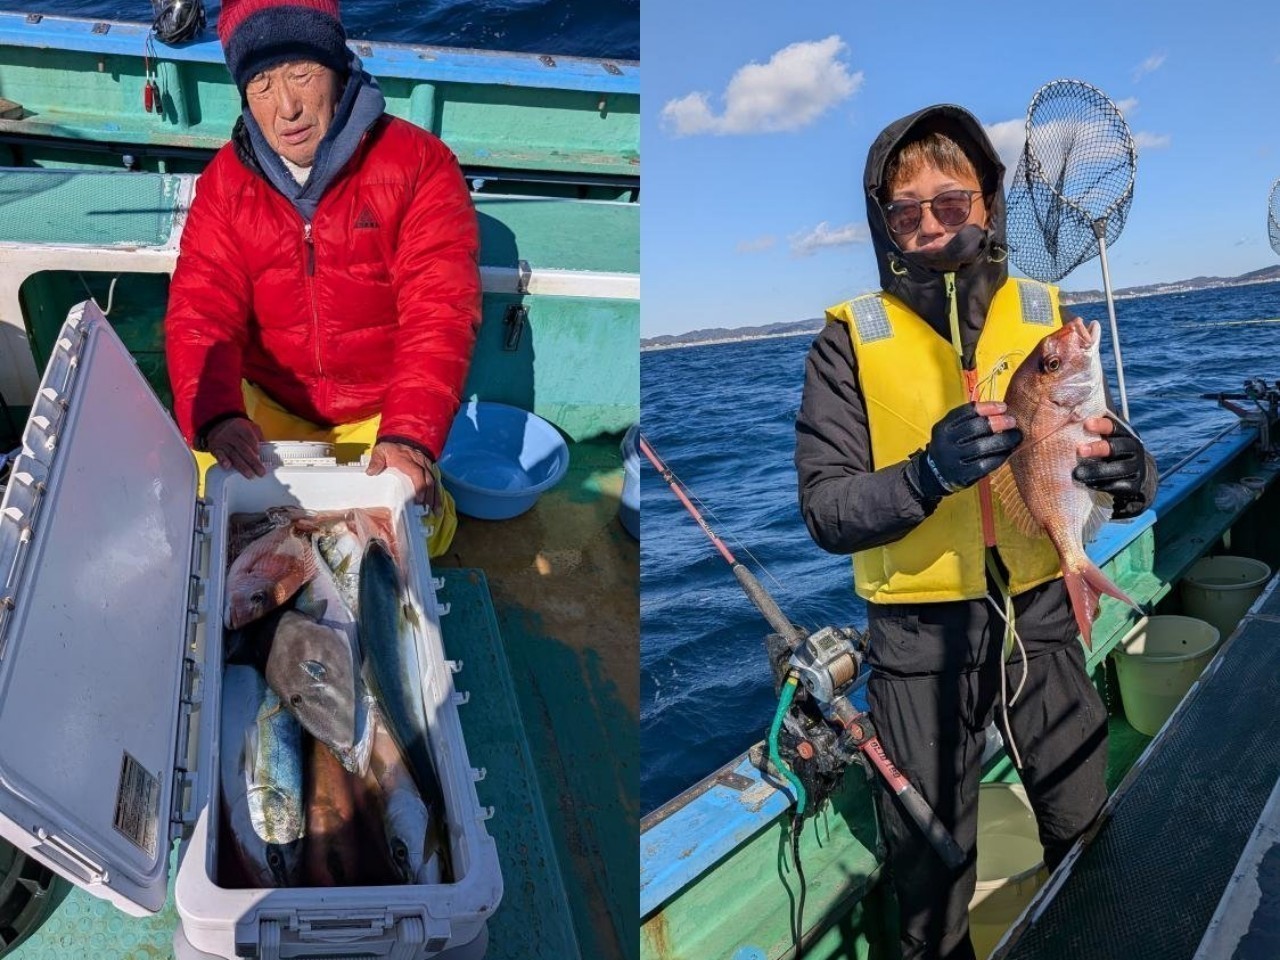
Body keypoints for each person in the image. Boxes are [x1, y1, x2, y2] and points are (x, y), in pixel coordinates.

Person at [794, 104, 1157, 959]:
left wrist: (1132, 475)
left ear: (988, 203)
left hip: (1041, 608)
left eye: (950, 202)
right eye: (904, 210)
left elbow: (1094, 449)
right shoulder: (846, 342)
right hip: (917, 641)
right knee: (930, 875)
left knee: (1082, 817)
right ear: (883, 223)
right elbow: (826, 509)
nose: (928, 224)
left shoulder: (1047, 317)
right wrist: (925, 475)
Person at [165, 0, 481, 556]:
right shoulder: (223, 185)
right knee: (201, 517)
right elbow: (200, 310)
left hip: (377, 411)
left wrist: (409, 436)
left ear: (337, 68)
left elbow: (440, 310)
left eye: (302, 74)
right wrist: (217, 414)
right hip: (266, 403)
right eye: (261, 84)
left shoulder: (421, 164)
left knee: (419, 536)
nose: (286, 107)